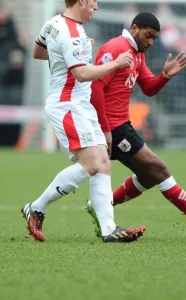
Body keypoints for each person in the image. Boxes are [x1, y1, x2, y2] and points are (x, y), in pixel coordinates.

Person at [86, 12, 186, 238]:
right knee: (159, 169)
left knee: (149, 176)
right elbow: (95, 90)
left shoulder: (137, 54)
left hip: (122, 126)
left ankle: (103, 204)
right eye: (148, 36)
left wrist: (165, 76)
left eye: (154, 38)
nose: (151, 42)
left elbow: (149, 88)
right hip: (112, 128)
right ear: (134, 28)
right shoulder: (114, 48)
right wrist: (104, 129)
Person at [21, 0, 145, 243]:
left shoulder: (54, 23)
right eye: (93, 1)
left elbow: (38, 52)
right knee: (92, 164)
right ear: (80, 1)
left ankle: (109, 229)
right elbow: (82, 73)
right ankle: (36, 207)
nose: (96, 7)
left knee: (103, 163)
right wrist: (116, 64)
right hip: (68, 106)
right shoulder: (73, 33)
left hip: (80, 105)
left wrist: (67, 54)